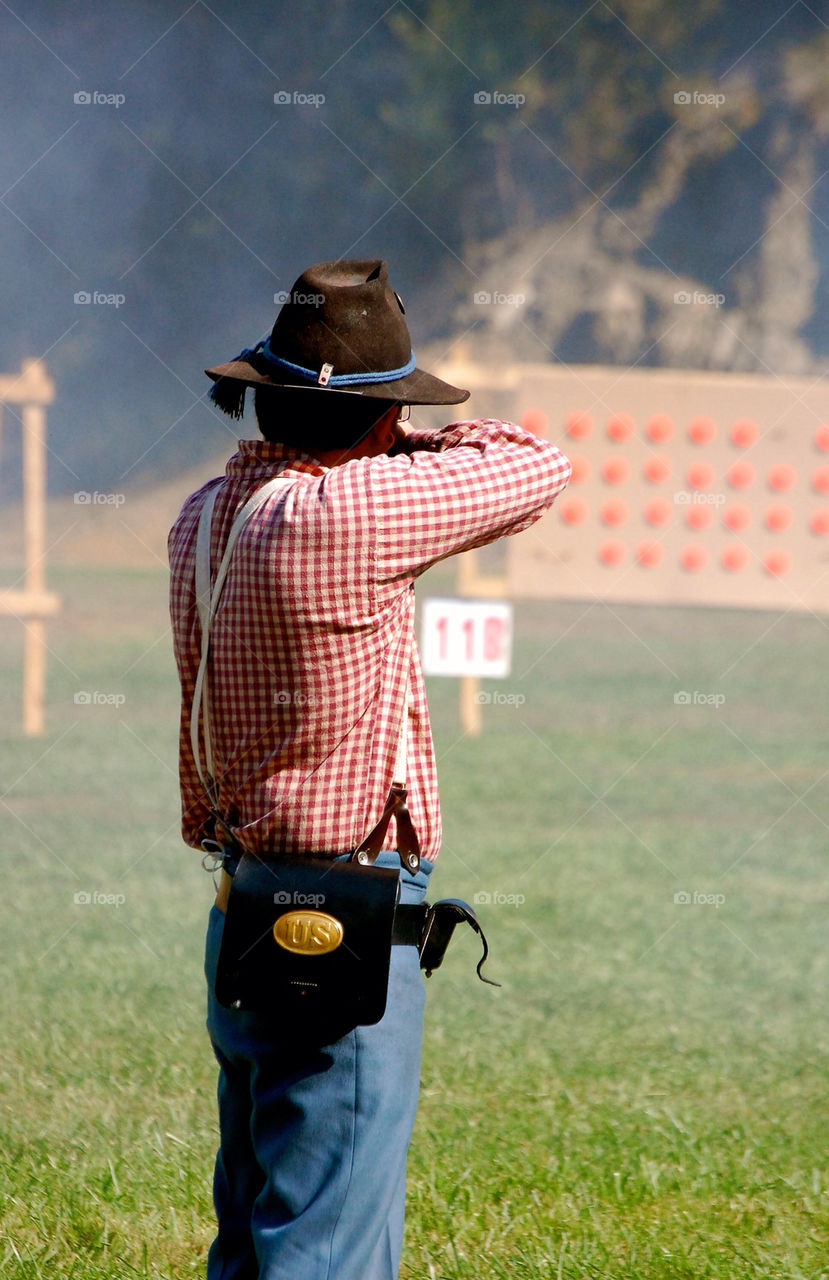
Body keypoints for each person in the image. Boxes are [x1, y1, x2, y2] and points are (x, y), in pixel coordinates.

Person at [168, 258, 571, 1280]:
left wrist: (374, 430)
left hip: (247, 897)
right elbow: (533, 462)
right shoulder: (347, 516)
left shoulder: (205, 516)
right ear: (376, 424)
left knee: (260, 1220)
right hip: (340, 914)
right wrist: (400, 434)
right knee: (327, 1243)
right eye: (390, 411)